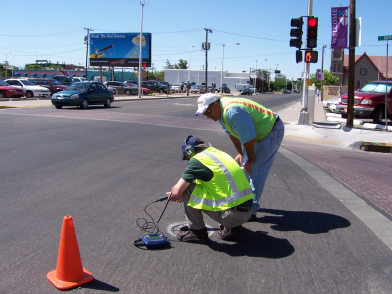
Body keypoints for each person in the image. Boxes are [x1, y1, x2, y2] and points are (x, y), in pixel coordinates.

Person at [195, 93, 284, 221]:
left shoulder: (232, 112)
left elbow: (248, 138)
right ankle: (245, 202)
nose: (208, 116)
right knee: (243, 169)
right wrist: (240, 153)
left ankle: (251, 210)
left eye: (208, 112)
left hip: (270, 130)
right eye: (205, 114)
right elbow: (233, 134)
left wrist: (251, 160)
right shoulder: (220, 112)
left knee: (256, 170)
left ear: (215, 105)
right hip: (257, 133)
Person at [169, 135, 254, 244]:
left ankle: (197, 232)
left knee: (188, 189)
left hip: (233, 216)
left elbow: (176, 192)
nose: (188, 160)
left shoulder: (197, 161)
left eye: (187, 156)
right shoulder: (219, 154)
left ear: (189, 151)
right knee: (215, 188)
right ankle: (232, 227)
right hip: (247, 211)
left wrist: (177, 194)